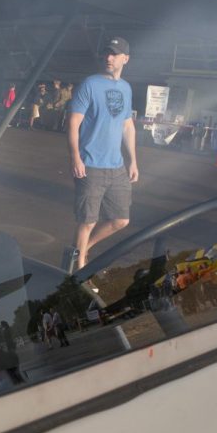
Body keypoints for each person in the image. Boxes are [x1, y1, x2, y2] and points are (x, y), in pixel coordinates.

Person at [67, 36, 139, 270]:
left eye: (114, 54)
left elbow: (128, 126)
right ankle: (78, 271)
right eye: (106, 53)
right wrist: (76, 157)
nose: (108, 57)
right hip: (91, 164)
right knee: (87, 221)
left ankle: (84, 249)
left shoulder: (126, 88)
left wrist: (133, 161)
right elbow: (73, 123)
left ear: (125, 59)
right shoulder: (90, 84)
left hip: (116, 166)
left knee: (120, 220)